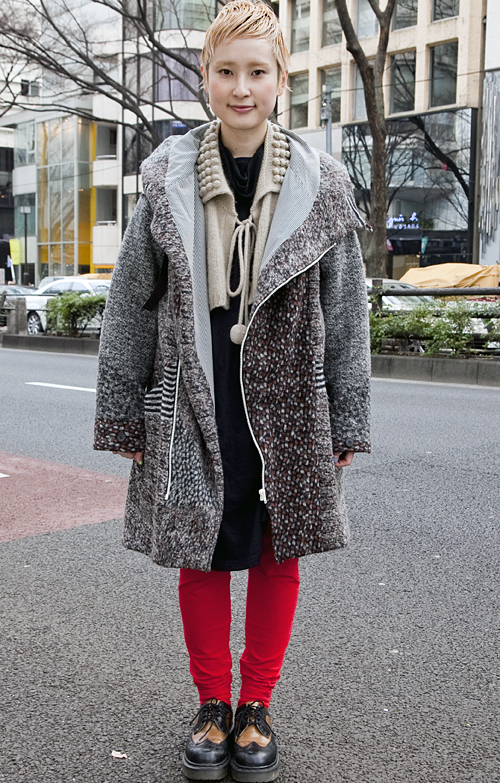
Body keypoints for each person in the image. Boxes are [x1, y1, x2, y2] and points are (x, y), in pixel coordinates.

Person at [94, 1, 371, 780]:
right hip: (196, 387)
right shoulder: (165, 179)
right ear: (205, 79)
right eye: (226, 71)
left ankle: (257, 704)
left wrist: (347, 415)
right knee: (203, 549)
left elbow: (346, 311)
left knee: (279, 549)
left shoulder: (323, 185)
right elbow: (130, 301)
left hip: (290, 396)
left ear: (282, 79)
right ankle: (212, 702)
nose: (241, 88)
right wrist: (124, 408)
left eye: (257, 71)